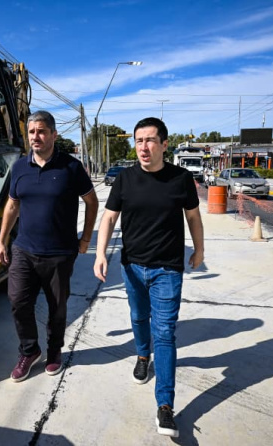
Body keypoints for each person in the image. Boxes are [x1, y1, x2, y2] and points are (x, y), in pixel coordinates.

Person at [93, 117, 204, 438]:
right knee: (139, 318)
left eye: (150, 140)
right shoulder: (125, 179)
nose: (143, 147)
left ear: (164, 144)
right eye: (139, 141)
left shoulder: (181, 179)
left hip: (168, 268)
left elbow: (193, 217)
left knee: (166, 332)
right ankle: (143, 355)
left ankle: (165, 406)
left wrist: (199, 249)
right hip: (132, 267)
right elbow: (109, 217)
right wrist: (101, 254)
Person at [0, 110, 99, 383]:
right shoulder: (19, 167)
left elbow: (92, 201)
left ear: (54, 134)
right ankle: (29, 351)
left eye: (41, 131)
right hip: (24, 250)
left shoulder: (71, 167)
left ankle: (54, 352)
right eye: (31, 132)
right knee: (18, 301)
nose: (35, 137)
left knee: (57, 307)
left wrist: (86, 239)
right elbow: (12, 205)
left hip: (60, 252)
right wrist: (2, 239)